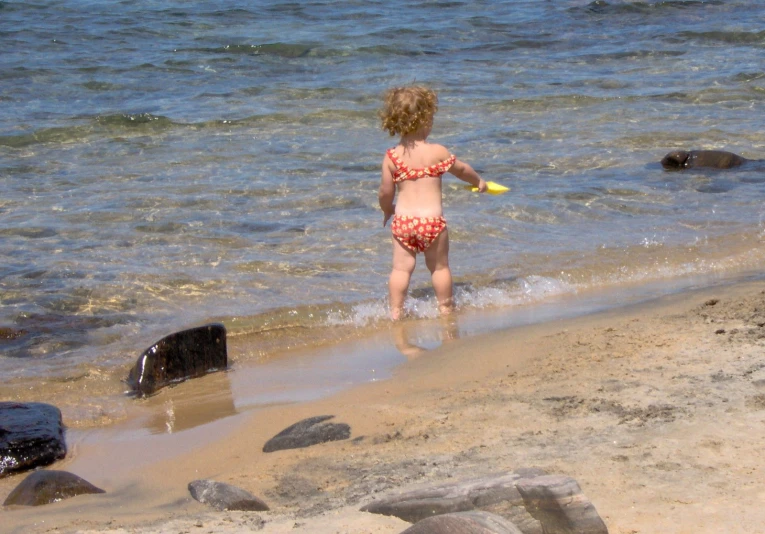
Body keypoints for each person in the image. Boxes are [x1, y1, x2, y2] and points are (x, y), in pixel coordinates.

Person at [378, 85, 487, 320]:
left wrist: (388, 210)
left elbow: (385, 192)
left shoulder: (392, 156)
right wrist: (479, 181)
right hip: (432, 222)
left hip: (404, 222)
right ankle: (446, 309)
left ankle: (396, 312)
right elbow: (462, 170)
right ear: (426, 119)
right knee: (439, 268)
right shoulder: (437, 151)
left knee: (400, 269)